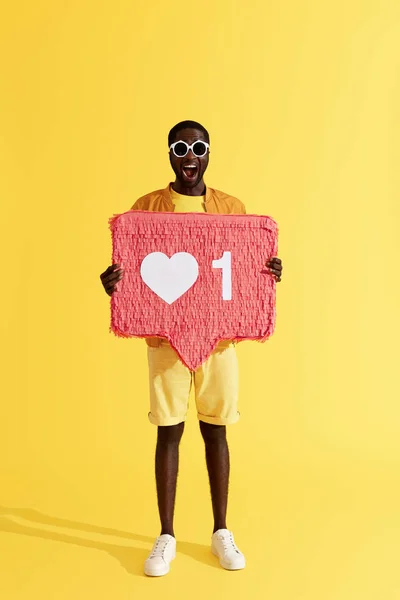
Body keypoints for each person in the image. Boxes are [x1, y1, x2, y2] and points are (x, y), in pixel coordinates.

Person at [100, 120, 283, 577]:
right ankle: (166, 534)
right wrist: (114, 285)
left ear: (208, 154)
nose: (189, 154)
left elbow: (240, 271)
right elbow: (133, 268)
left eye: (198, 146)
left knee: (216, 430)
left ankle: (221, 530)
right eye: (180, 147)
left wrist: (267, 273)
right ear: (169, 153)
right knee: (168, 431)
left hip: (220, 341)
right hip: (166, 340)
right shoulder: (146, 209)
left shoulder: (231, 209)